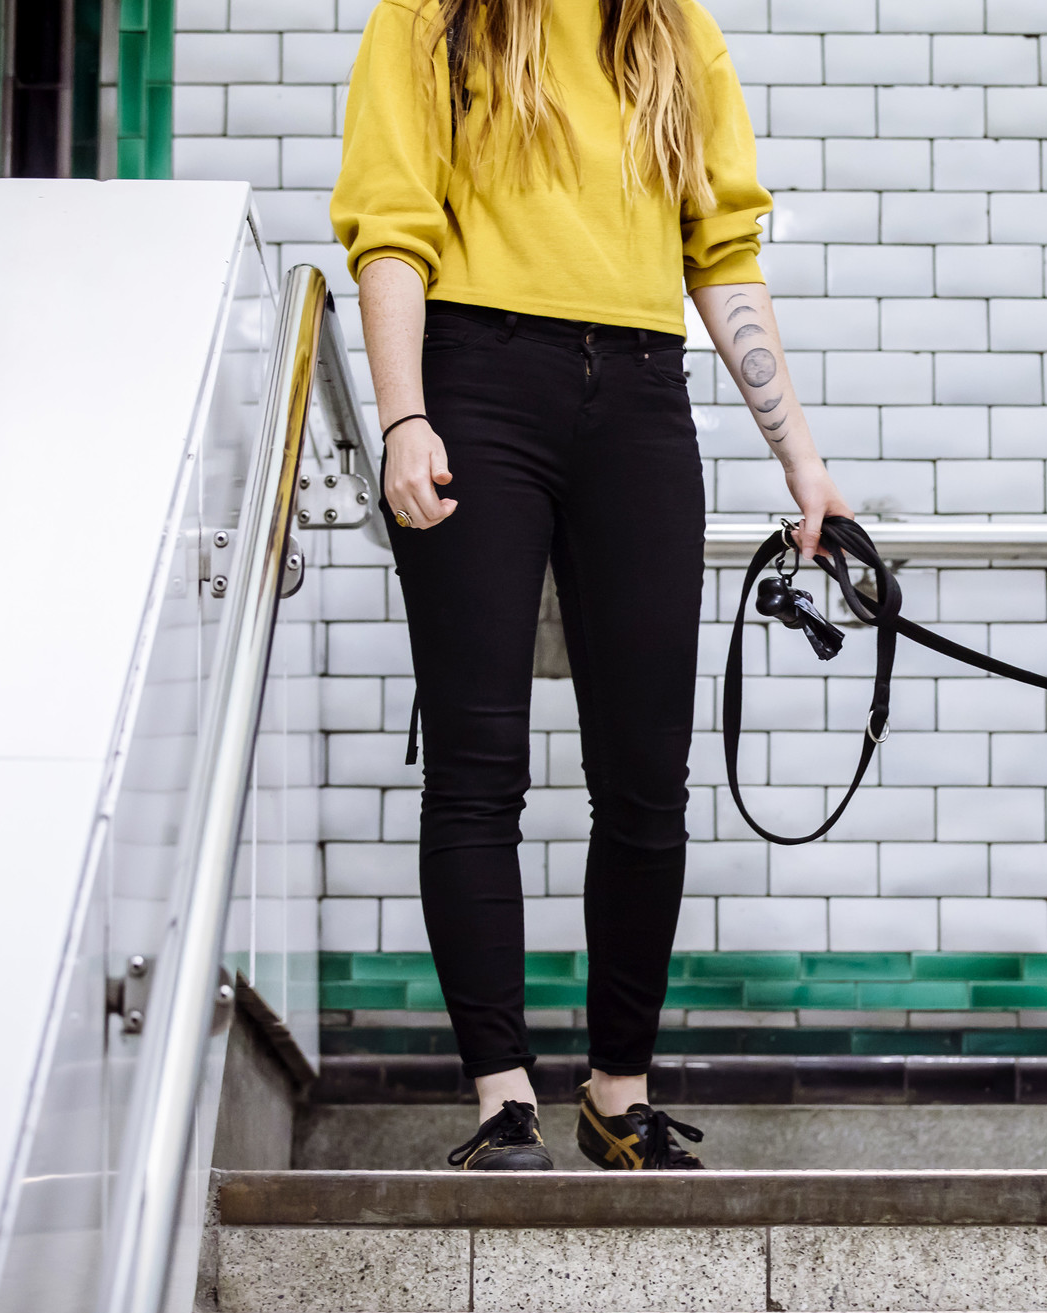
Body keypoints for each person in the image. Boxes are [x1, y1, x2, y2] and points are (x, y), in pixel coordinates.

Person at [330, 0, 850, 1170]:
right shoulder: (430, 19)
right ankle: (500, 1099)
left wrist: (800, 459)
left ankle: (617, 1093)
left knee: (645, 780)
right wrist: (404, 416)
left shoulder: (675, 33)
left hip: (641, 391)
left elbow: (720, 256)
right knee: (476, 770)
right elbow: (391, 231)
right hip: (474, 375)